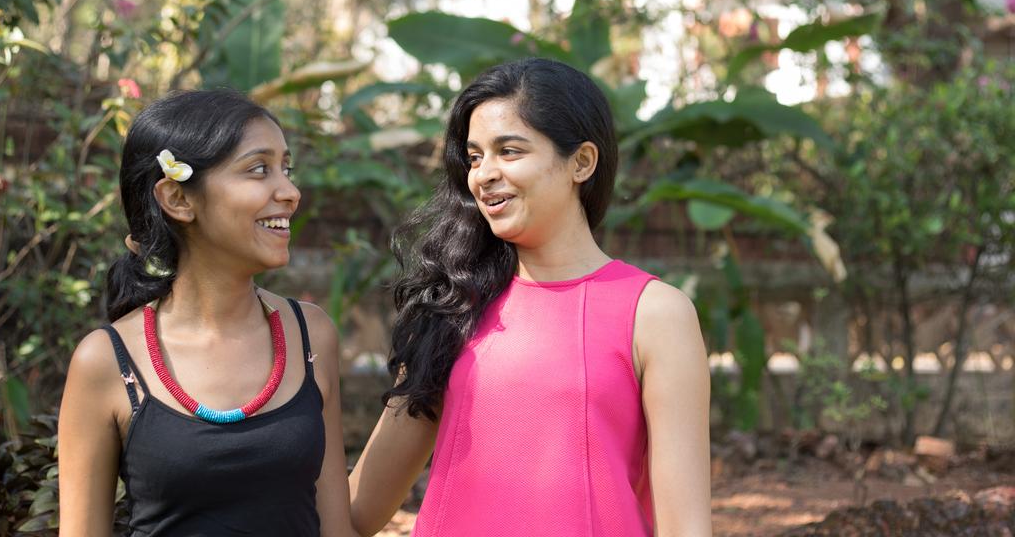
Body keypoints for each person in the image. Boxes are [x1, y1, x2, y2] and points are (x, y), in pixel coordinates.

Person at [348, 58, 712, 537]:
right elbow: (358, 510)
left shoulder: (655, 314)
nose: (483, 175)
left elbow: (685, 527)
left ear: (581, 162)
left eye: (509, 151)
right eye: (475, 157)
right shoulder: (450, 308)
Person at [58, 89, 355, 537]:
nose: (290, 192)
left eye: (286, 169)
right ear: (178, 199)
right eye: (259, 169)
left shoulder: (310, 336)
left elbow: (336, 530)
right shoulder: (107, 361)